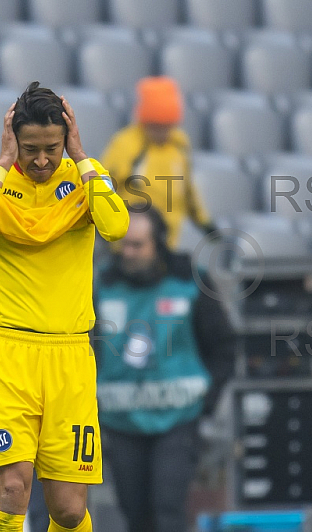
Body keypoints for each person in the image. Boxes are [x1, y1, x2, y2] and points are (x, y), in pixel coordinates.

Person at [0, 81, 129, 532]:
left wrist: (84, 159)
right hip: (12, 354)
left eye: (52, 148)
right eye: (31, 149)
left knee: (68, 509)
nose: (43, 160)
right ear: (13, 140)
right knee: (12, 490)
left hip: (71, 357)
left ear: (66, 141)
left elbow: (117, 226)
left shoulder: (85, 181)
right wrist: (4, 164)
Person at [91, 205, 235, 532]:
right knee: (134, 513)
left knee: (167, 508)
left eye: (137, 245)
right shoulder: (101, 283)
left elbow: (224, 346)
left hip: (178, 419)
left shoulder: (190, 281)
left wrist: (205, 403)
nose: (128, 253)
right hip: (120, 419)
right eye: (123, 244)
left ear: (158, 244)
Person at [100, 76, 216, 249]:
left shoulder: (179, 145)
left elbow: (188, 191)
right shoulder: (127, 145)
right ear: (144, 122)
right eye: (155, 127)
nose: (162, 133)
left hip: (167, 243)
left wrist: (205, 223)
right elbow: (104, 186)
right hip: (129, 245)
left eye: (167, 126)